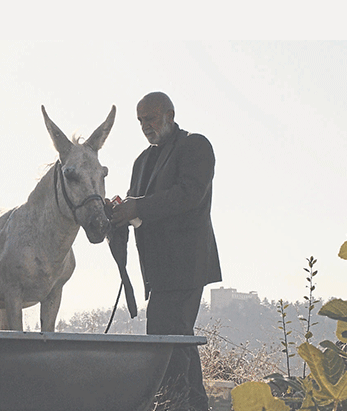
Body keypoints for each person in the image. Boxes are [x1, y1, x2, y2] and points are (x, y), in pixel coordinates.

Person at [109, 91, 221, 410]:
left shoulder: (195, 146)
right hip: (158, 271)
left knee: (169, 341)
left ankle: (177, 404)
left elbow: (189, 195)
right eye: (141, 120)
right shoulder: (141, 161)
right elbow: (136, 208)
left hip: (186, 265)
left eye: (151, 118)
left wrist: (136, 207)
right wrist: (116, 211)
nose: (145, 125)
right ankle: (191, 404)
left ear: (170, 114)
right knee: (175, 341)